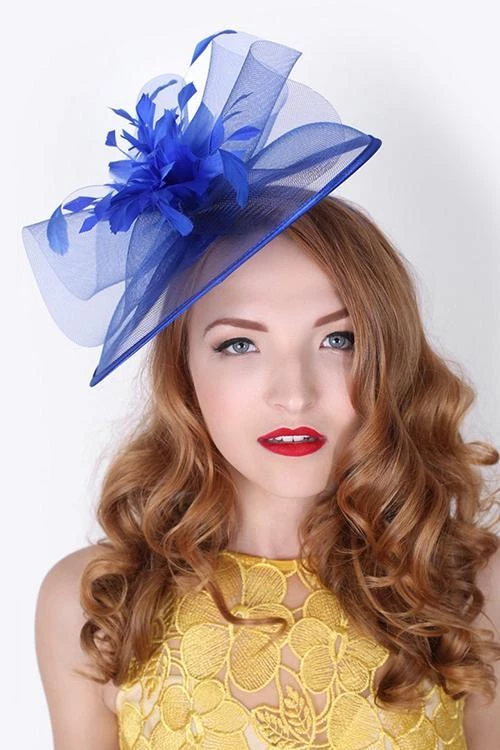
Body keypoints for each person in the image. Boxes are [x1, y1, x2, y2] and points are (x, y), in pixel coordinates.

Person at [24, 29, 500, 750]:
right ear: (184, 372)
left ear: (389, 352)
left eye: (337, 340)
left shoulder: (469, 589)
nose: (294, 394)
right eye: (239, 344)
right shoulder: (97, 606)